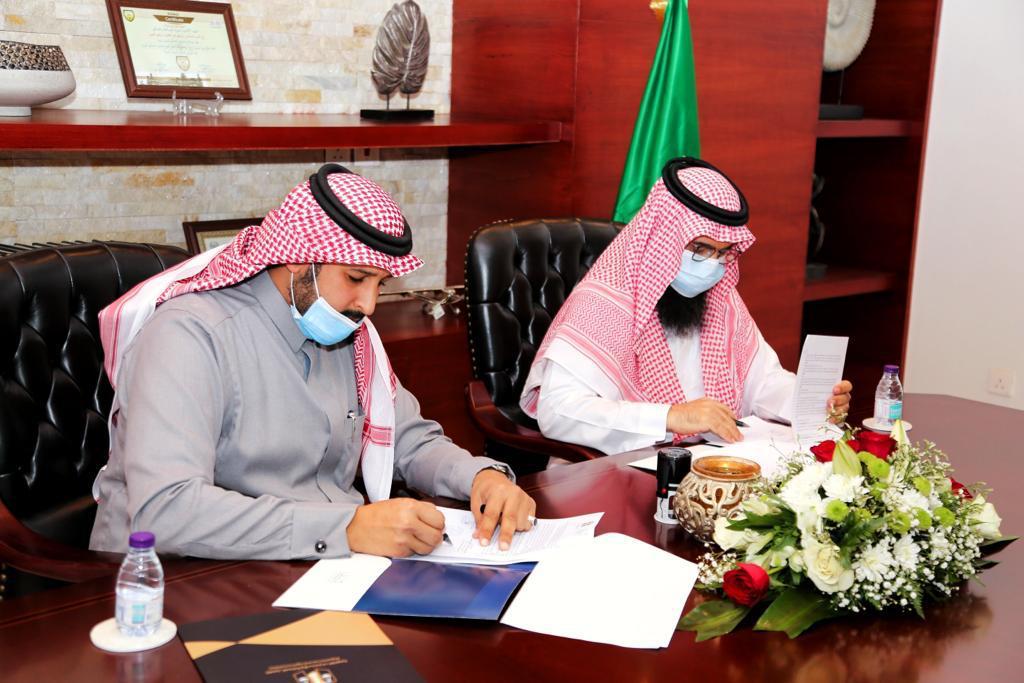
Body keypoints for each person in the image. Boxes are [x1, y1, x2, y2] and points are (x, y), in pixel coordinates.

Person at [90, 164, 535, 560]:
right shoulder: (190, 335)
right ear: (298, 260)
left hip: (323, 567)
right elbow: (167, 511)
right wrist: (346, 529)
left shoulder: (347, 329)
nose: (369, 305)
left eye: (379, 284)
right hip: (185, 575)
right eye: (356, 278)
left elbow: (407, 440)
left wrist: (482, 478)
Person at [520, 157, 852, 455]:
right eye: (700, 249)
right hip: (615, 471)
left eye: (722, 253)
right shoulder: (604, 303)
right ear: (662, 238)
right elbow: (558, 411)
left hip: (706, 463)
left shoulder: (720, 296)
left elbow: (762, 381)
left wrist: (813, 401)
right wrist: (670, 416)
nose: (712, 265)